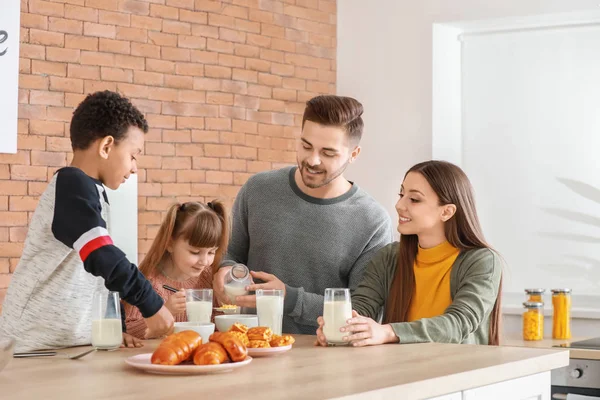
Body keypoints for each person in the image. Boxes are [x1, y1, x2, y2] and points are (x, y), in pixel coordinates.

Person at [0, 91, 173, 352]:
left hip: (68, 348)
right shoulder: (72, 183)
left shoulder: (94, 192)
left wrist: (115, 326)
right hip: (29, 347)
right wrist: (151, 302)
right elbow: (102, 255)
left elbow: (97, 275)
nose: (135, 167)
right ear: (106, 146)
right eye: (133, 155)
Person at [213, 95, 393, 334]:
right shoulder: (258, 189)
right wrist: (224, 270)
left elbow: (362, 310)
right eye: (306, 146)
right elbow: (231, 253)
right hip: (248, 348)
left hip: (324, 358)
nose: (312, 160)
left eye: (328, 153)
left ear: (354, 153)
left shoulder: (373, 221)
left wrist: (289, 298)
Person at [316, 160, 502, 347]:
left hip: (457, 372)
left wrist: (388, 331)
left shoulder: (482, 261)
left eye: (414, 199)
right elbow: (363, 305)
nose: (399, 205)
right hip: (402, 370)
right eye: (401, 194)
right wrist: (346, 327)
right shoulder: (389, 257)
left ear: (446, 212)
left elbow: (459, 323)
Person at [124, 201, 229, 339]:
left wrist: (224, 306)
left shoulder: (210, 278)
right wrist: (164, 311)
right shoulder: (147, 282)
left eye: (211, 252)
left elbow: (218, 328)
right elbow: (129, 330)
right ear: (170, 244)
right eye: (195, 252)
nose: (204, 262)